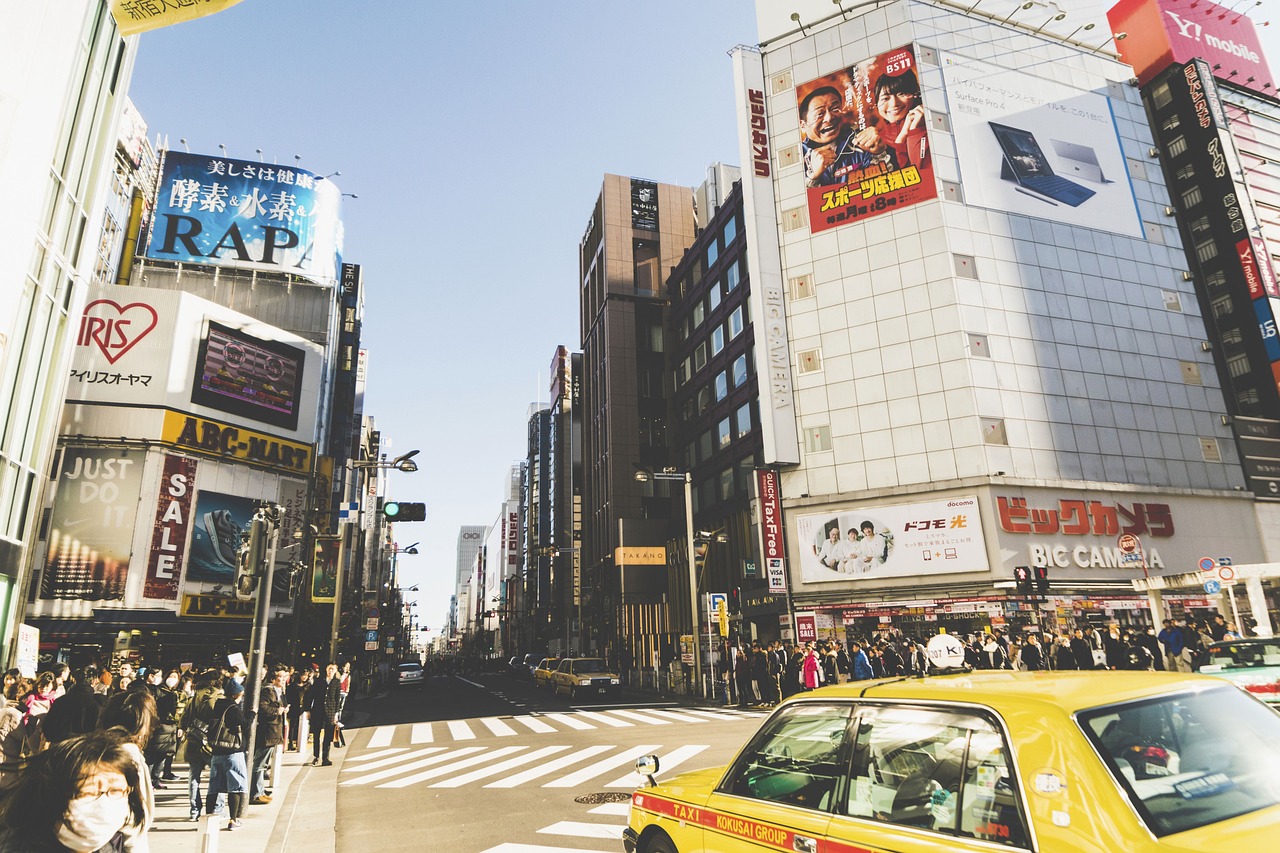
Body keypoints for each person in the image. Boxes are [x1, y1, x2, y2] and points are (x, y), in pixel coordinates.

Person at [0, 728, 149, 852]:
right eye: (88, 792)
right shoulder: (18, 846)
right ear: (51, 795)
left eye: (116, 791)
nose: (104, 803)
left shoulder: (107, 847)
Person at [799, 86, 893, 188]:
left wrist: (879, 154)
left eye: (835, 109)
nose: (829, 117)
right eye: (820, 114)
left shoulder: (861, 143)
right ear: (803, 125)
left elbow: (885, 185)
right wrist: (812, 178)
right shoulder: (798, 158)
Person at [96, 691, 155, 852]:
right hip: (115, 843)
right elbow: (137, 822)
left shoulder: (93, 747)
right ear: (142, 723)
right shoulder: (129, 755)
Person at [204, 679, 248, 831]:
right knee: (235, 787)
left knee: (214, 787)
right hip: (233, 751)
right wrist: (252, 715)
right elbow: (244, 723)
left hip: (217, 751)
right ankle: (233, 820)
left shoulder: (217, 706)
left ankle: (208, 818)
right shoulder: (233, 708)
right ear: (237, 695)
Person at [179, 673, 222, 822]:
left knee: (193, 776)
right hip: (211, 742)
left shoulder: (194, 697)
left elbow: (184, 717)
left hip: (193, 740)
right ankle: (216, 808)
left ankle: (194, 810)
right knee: (217, 775)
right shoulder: (219, 697)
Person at [872, 67, 929, 170]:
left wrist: (916, 132)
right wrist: (902, 137)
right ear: (876, 103)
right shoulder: (876, 141)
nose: (894, 104)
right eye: (885, 98)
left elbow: (923, 171)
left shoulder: (928, 125)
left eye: (901, 94)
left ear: (915, 94)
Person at [250, 667, 287, 804]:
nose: (283, 680)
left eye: (285, 677)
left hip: (272, 731)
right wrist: (277, 711)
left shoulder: (278, 691)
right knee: (259, 764)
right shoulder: (268, 691)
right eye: (280, 677)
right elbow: (263, 708)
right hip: (268, 732)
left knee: (263, 764)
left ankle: (260, 790)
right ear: (273, 678)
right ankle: (256, 793)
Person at [306, 664, 341, 767]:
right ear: (326, 669)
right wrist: (308, 709)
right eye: (329, 668)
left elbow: (337, 698)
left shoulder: (336, 682)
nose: (330, 671)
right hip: (317, 710)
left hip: (330, 711)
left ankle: (325, 758)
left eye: (333, 669)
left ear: (335, 671)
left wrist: (336, 713)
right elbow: (311, 695)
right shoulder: (319, 681)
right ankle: (316, 756)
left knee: (328, 736)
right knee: (316, 735)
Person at [285, 670, 308, 752]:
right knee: (293, 725)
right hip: (294, 707)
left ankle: (298, 741)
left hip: (303, 708)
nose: (304, 677)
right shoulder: (293, 685)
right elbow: (288, 696)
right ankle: (291, 742)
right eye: (303, 675)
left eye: (306, 675)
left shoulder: (308, 685)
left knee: (301, 725)